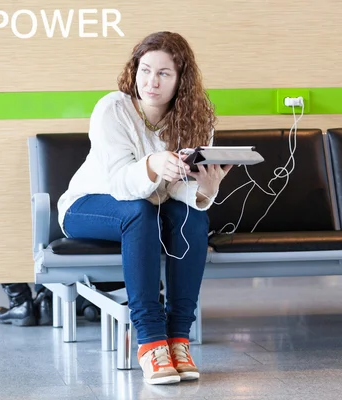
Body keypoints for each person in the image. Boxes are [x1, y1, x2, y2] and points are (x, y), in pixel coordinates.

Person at [57, 31, 232, 385]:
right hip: (89, 204)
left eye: (164, 73)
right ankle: (151, 340)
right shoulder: (112, 109)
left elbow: (178, 190)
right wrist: (153, 164)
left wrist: (203, 189)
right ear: (134, 70)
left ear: (182, 79)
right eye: (145, 70)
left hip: (151, 207)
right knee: (140, 212)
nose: (151, 82)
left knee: (193, 217)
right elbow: (121, 184)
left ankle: (179, 337)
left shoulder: (198, 119)